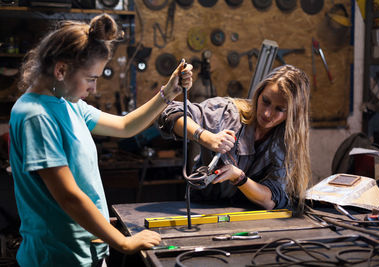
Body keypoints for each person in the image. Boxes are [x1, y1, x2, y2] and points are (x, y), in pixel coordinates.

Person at [9, 14, 192, 267]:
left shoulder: (67, 104)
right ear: (61, 70)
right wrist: (123, 242)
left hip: (88, 251)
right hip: (57, 257)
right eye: (91, 79)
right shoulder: (35, 115)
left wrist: (167, 93)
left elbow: (126, 126)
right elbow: (68, 196)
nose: (94, 89)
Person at [158, 64, 311, 212]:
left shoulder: (287, 142)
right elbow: (170, 114)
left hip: (252, 220)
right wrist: (205, 137)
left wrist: (239, 177)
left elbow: (271, 200)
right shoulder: (227, 113)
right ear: (259, 94)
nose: (267, 113)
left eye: (280, 109)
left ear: (293, 114)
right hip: (203, 210)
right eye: (265, 101)